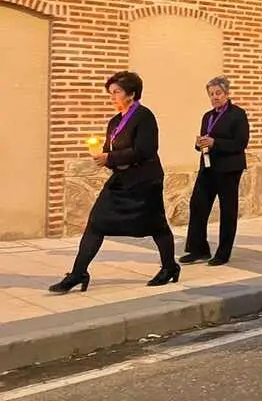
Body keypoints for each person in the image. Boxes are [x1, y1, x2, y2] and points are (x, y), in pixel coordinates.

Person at [50, 72, 178, 293]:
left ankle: (169, 267)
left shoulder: (144, 116)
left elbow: (145, 150)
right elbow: (110, 150)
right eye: (110, 93)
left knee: (156, 225)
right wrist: (102, 156)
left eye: (116, 92)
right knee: (96, 222)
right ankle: (78, 273)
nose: (112, 97)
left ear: (132, 94)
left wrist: (110, 158)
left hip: (144, 182)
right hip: (121, 181)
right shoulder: (115, 121)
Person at [180, 76, 250, 266]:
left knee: (227, 210)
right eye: (211, 94)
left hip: (229, 169)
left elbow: (240, 143)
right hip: (208, 167)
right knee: (197, 204)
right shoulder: (208, 116)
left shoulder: (237, 114)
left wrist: (215, 143)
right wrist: (200, 143)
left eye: (218, 93)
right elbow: (204, 141)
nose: (215, 97)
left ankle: (223, 252)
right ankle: (198, 249)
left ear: (226, 93)